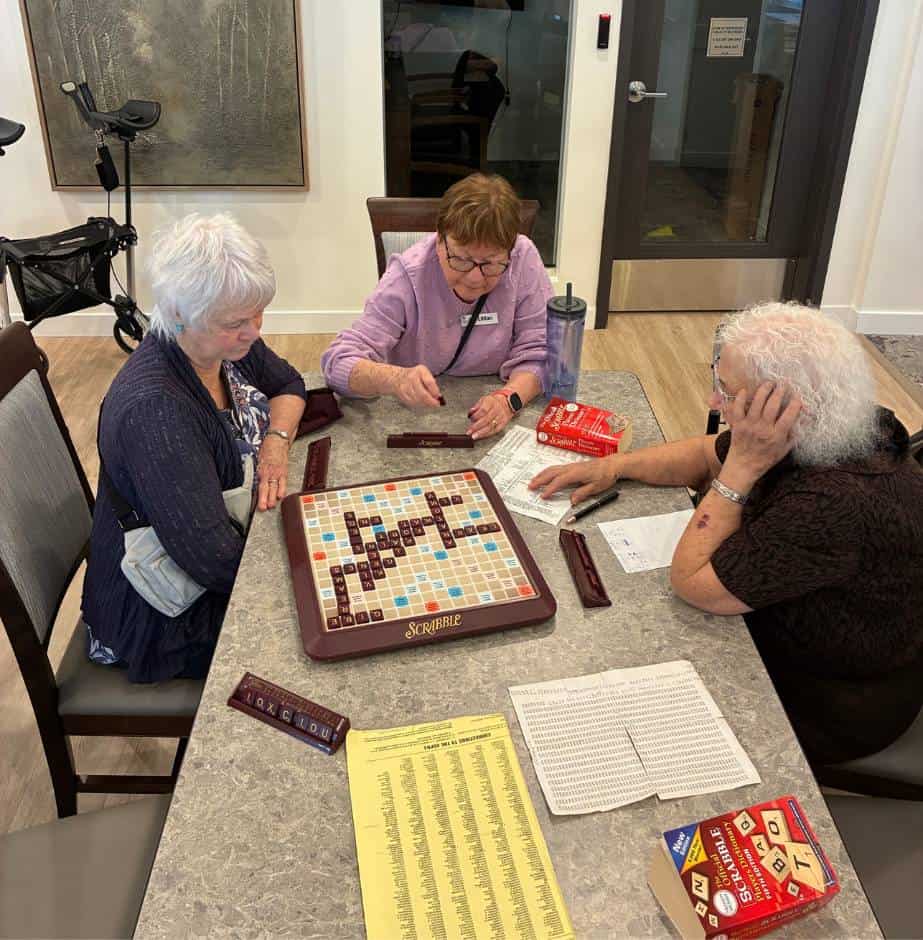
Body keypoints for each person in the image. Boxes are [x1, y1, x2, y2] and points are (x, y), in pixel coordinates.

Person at [530, 302, 923, 766]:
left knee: (610, 709)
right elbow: (703, 453)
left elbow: (694, 583)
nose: (715, 402)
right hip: (791, 631)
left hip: (828, 700)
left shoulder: (832, 502)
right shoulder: (835, 422)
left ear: (782, 406)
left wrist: (742, 469)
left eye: (726, 391)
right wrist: (614, 465)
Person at [82, 214, 307, 683]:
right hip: (159, 613)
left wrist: (276, 443)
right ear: (180, 311)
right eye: (236, 322)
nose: (254, 330)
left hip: (212, 551)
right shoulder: (158, 411)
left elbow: (289, 384)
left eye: (258, 313)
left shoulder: (220, 341)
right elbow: (217, 562)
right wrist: (314, 575)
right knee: (323, 636)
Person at [321, 173, 551, 439]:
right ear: (439, 240)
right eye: (461, 259)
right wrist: (394, 379)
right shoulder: (408, 274)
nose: (475, 278)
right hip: (414, 415)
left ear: (510, 250)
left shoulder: (523, 258)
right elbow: (337, 363)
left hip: (493, 402)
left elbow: (541, 352)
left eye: (490, 263)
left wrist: (507, 400)